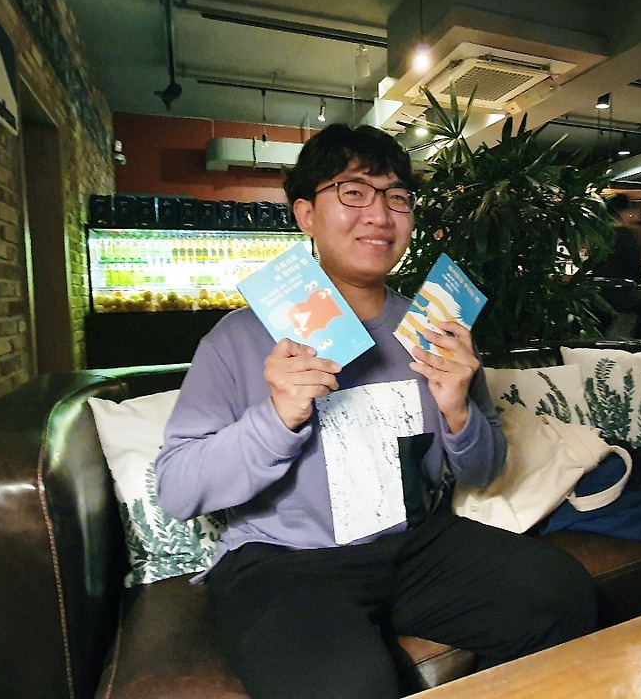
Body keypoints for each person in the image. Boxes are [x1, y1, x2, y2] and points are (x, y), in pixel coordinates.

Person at [154, 124, 597, 699]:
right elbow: (177, 490)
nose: (380, 215)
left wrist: (458, 411)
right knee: (344, 686)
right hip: (284, 562)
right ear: (306, 215)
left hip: (415, 544)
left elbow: (484, 471)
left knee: (562, 596)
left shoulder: (434, 327)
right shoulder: (237, 338)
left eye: (397, 197)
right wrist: (276, 418)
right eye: (354, 192)